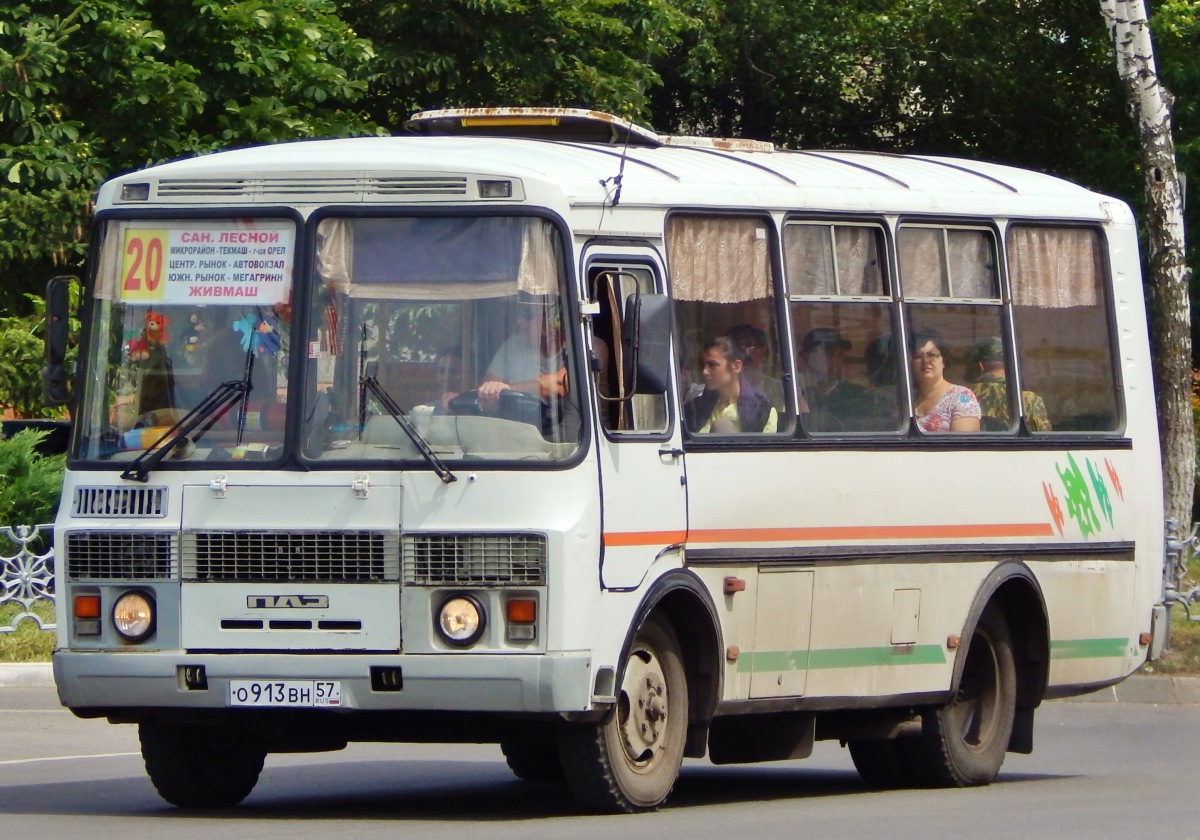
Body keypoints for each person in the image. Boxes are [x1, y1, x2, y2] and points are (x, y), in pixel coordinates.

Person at [477, 295, 568, 408]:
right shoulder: (513, 345)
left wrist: (507, 388)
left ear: (551, 319)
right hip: (519, 419)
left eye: (527, 315)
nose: (519, 321)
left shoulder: (580, 345)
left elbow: (560, 383)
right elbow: (485, 391)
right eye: (519, 314)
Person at [684, 336, 778, 433]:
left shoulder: (762, 412)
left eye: (712, 365)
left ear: (736, 367)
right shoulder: (693, 409)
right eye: (702, 365)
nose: (705, 371)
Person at [798, 327, 875, 431]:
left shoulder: (859, 396)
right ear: (807, 357)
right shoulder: (796, 396)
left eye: (839, 354)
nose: (834, 360)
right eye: (828, 354)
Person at [971, 336, 1051, 431]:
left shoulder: (965, 396)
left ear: (981, 365)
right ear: (1011, 365)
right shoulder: (1029, 400)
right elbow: (1044, 436)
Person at [910, 329, 981, 432]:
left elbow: (964, 441)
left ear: (943, 361)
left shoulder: (961, 397)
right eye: (918, 356)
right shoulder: (907, 400)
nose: (925, 361)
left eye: (932, 355)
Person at [724, 324, 785, 411]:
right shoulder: (718, 392)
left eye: (748, 345)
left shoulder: (783, 390)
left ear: (764, 353)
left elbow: (801, 414)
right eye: (735, 348)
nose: (743, 354)